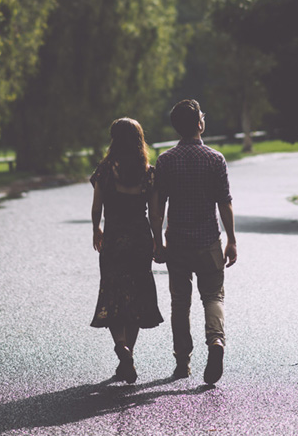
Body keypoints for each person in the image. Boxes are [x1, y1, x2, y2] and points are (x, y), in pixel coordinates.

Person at [150, 99, 237, 385]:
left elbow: (157, 205)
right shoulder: (215, 159)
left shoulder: (165, 160)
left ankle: (182, 362)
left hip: (177, 243)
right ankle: (216, 342)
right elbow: (224, 203)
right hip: (209, 241)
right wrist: (232, 240)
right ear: (199, 124)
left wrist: (157, 241)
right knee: (213, 296)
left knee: (180, 303)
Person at [90, 117, 163, 383]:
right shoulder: (149, 171)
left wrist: (96, 228)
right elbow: (155, 215)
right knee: (137, 294)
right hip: (140, 238)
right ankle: (129, 352)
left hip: (114, 239)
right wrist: (158, 241)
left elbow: (97, 206)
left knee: (113, 291)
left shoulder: (106, 170)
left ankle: (120, 345)